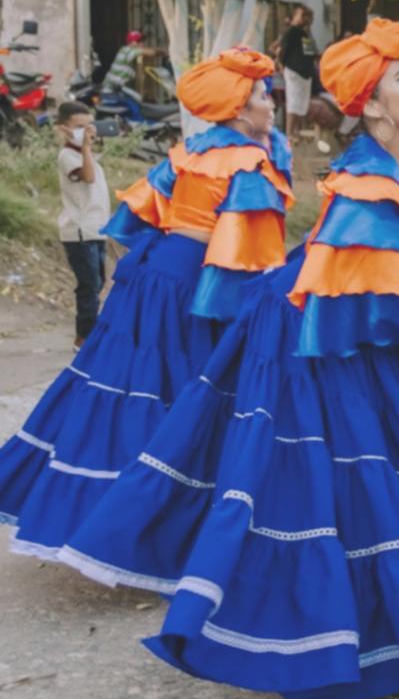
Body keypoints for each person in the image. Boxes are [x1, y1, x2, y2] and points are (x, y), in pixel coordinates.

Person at [58, 19, 399, 699]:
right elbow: (352, 284)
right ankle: (336, 631)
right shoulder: (363, 181)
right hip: (310, 333)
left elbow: (395, 271)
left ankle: (398, 619)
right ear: (371, 105)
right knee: (342, 477)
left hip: (344, 323)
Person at [0, 48, 292, 559]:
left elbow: (141, 219)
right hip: (196, 286)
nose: (272, 105)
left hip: (151, 281)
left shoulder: (189, 152)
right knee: (194, 393)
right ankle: (165, 528)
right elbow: (248, 255)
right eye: (264, 96)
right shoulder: (248, 161)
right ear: (242, 109)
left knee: (130, 389)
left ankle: (98, 515)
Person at [54, 102, 111, 347]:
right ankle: (84, 337)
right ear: (63, 129)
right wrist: (86, 147)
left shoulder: (87, 155)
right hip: (79, 232)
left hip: (96, 228)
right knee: (89, 286)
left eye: (89, 126)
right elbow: (87, 177)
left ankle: (91, 333)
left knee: (98, 283)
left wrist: (89, 146)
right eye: (79, 127)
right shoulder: (67, 156)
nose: (86, 132)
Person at [277, 5, 318, 137]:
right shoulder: (290, 32)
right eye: (302, 15)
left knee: (302, 104)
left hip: (305, 73)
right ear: (295, 16)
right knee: (293, 103)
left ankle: (297, 133)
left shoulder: (305, 34)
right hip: (294, 71)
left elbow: (311, 52)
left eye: (307, 16)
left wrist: (308, 31)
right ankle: (289, 134)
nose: (305, 19)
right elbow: (282, 52)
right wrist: (282, 67)